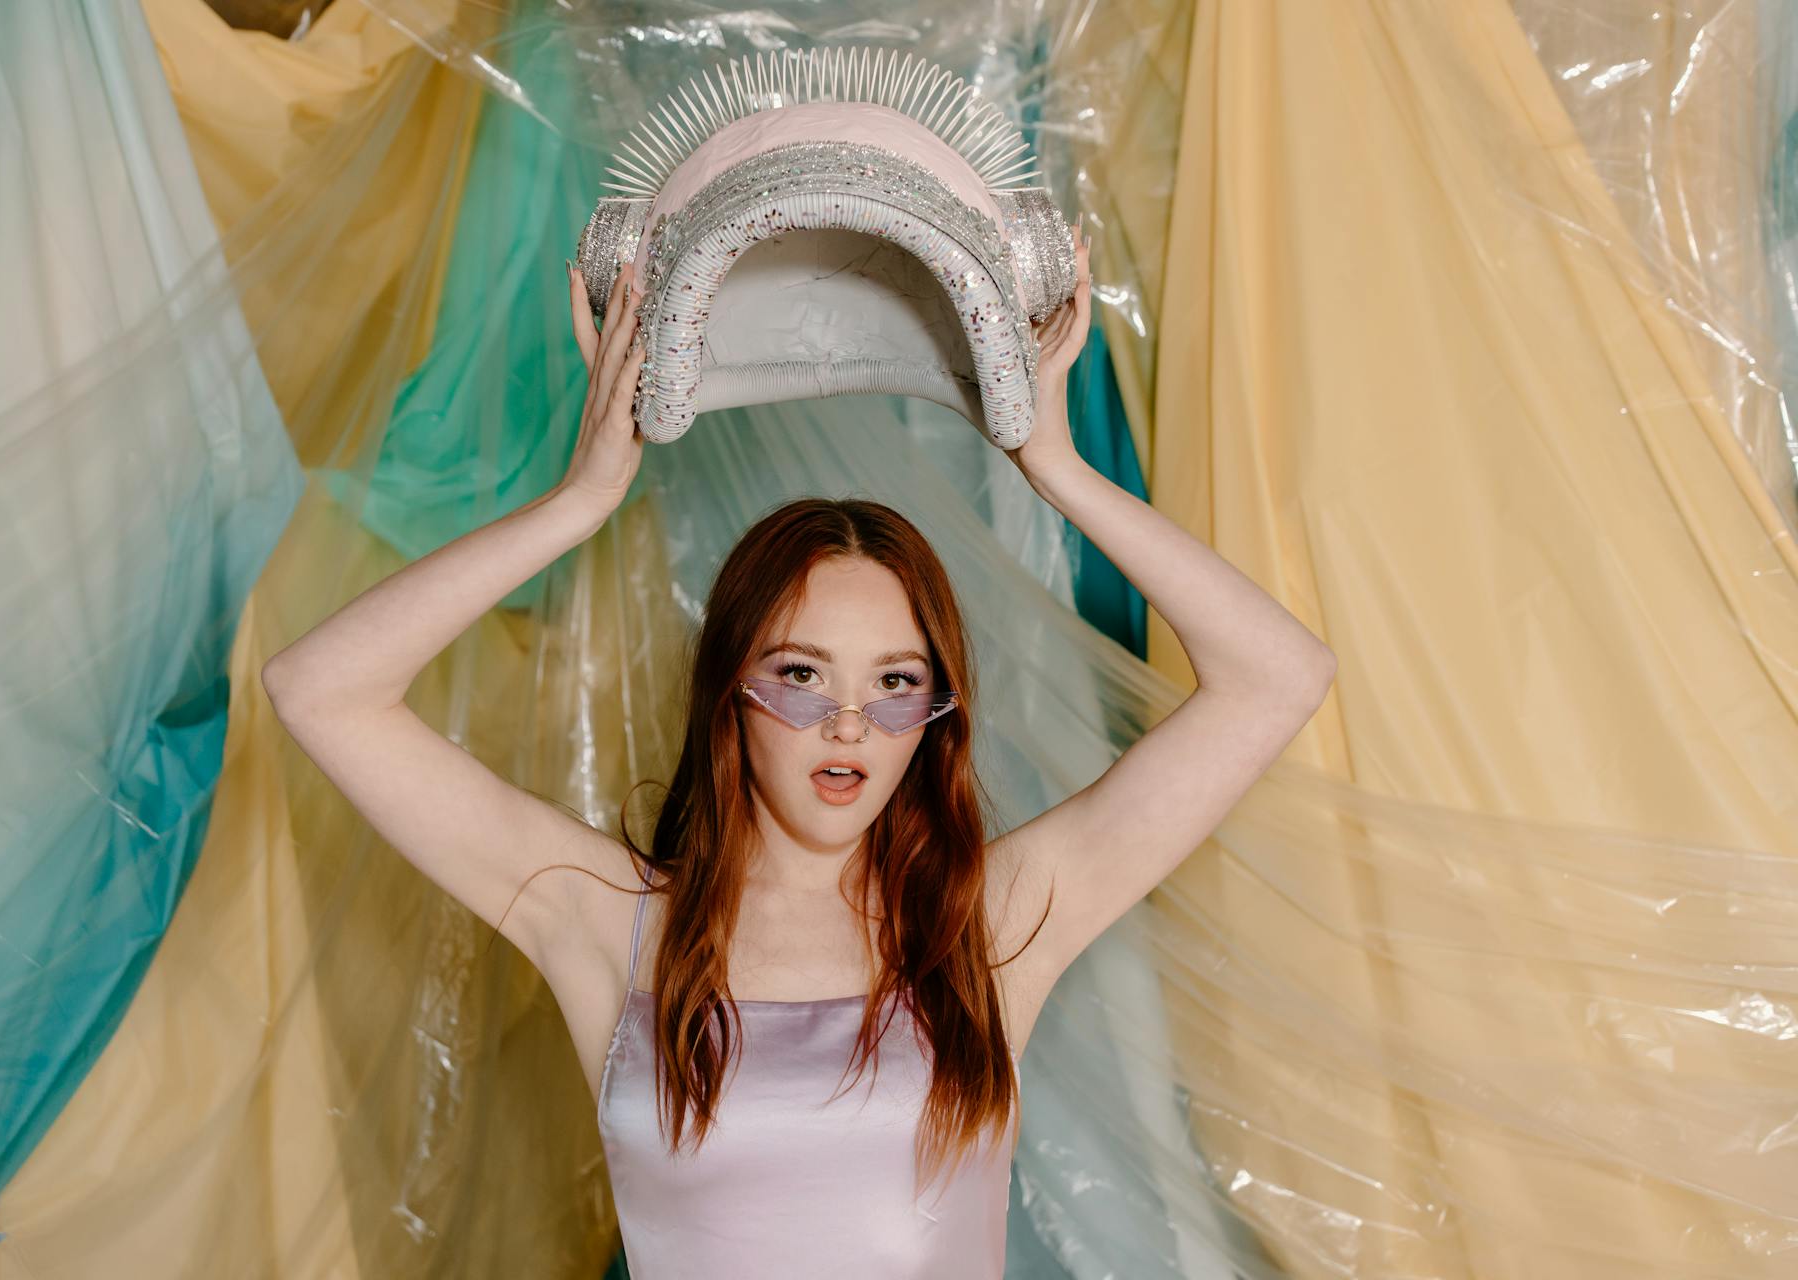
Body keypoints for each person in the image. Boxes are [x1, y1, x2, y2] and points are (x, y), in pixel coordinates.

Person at [261, 232, 1337, 1278]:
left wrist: (1055, 467)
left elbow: (1275, 677)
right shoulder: (606, 919)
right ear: (729, 688)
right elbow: (319, 690)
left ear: (936, 712)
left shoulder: (996, 923)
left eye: (896, 682)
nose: (848, 723)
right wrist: (576, 504)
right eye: (803, 673)